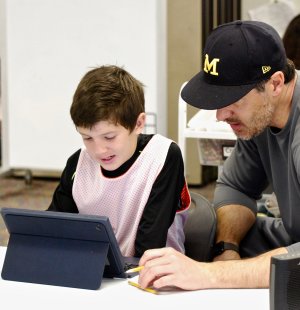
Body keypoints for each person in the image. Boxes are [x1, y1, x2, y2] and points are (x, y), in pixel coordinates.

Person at [137, 20, 300, 291]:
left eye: (233, 100)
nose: (220, 115)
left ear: (275, 83)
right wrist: (227, 247)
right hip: (291, 237)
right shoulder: (260, 117)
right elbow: (235, 187)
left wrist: (212, 275)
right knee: (200, 228)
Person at [47, 65, 190, 258]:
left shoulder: (163, 156)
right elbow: (52, 230)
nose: (98, 150)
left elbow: (149, 247)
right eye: (87, 138)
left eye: (109, 137)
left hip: (151, 274)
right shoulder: (77, 163)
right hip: (93, 270)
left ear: (139, 124)